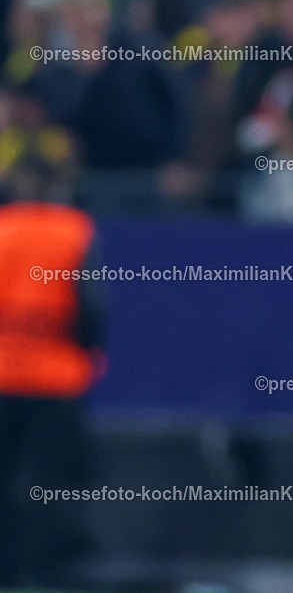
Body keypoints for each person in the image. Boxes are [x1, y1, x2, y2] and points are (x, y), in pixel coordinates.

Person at [0, 154, 107, 587]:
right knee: (56, 483)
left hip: (4, 376)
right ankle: (53, 569)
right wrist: (89, 351)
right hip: (57, 378)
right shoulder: (74, 231)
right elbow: (92, 306)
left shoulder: (2, 229)